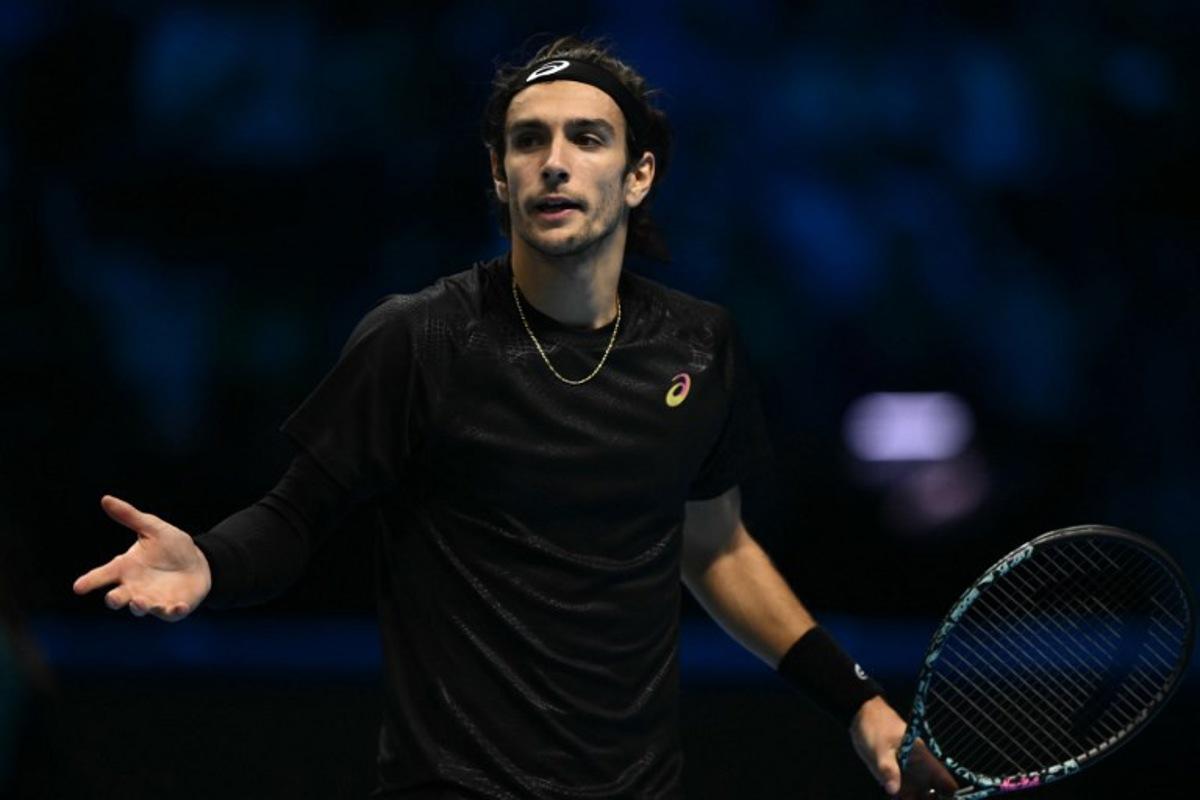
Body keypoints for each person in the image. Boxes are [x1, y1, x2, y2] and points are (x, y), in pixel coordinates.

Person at [73, 36, 957, 800]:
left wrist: (859, 703)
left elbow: (715, 547)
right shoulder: (419, 339)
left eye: (587, 138)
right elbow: (296, 516)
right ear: (499, 175)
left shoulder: (699, 345)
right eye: (527, 142)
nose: (555, 161)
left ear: (640, 174)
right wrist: (211, 564)